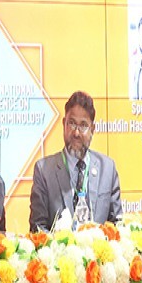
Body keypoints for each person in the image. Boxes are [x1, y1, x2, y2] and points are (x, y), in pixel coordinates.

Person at [30, 91, 123, 231]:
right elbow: (38, 228)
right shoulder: (44, 170)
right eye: (72, 123)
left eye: (83, 125)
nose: (76, 133)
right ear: (64, 124)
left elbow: (117, 225)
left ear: (93, 129)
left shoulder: (107, 169)